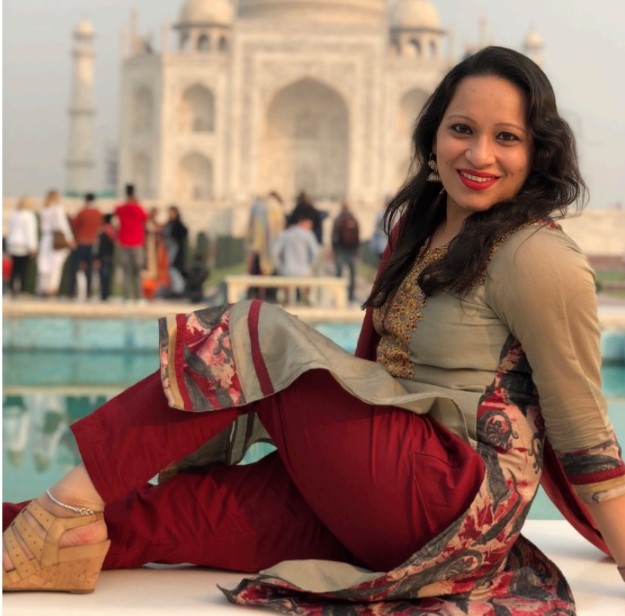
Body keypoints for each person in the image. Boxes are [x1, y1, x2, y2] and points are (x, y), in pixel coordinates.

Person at [3, 47, 624, 614]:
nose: (479, 154)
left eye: (506, 137)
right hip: (374, 487)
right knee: (164, 518)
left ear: (537, 152)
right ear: (433, 135)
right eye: (462, 129)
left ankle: (64, 501)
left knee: (256, 332)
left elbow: (582, 426)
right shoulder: (419, 229)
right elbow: (371, 374)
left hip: (446, 501)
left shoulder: (535, 255)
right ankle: (31, 534)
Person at [246, 191, 286, 300]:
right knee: (270, 272)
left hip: (259, 246)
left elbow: (252, 229)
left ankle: (255, 295)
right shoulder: (276, 207)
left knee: (257, 272)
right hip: (272, 247)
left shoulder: (258, 206)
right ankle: (269, 296)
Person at [36, 190, 75, 298]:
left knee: (44, 264)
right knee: (56, 265)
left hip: (45, 239)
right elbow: (62, 225)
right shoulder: (58, 209)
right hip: (56, 239)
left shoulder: (44, 209)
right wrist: (70, 238)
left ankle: (43, 287)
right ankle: (52, 288)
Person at [114, 184, 148, 301]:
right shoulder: (138, 208)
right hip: (137, 243)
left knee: (126, 272)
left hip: (124, 242)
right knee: (137, 272)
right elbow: (145, 218)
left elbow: (115, 215)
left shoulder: (121, 208)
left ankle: (126, 297)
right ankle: (139, 297)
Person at [68, 193, 103, 300]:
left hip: (81, 242)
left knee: (74, 267)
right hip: (92, 243)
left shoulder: (82, 212)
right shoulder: (98, 213)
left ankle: (71, 291)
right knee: (89, 269)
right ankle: (88, 291)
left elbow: (74, 224)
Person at [6, 195, 38, 297]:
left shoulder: (14, 214)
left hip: (13, 244)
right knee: (23, 269)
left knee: (14, 269)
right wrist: (33, 246)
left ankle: (11, 288)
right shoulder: (29, 215)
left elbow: (10, 229)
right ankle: (22, 290)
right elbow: (30, 232)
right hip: (24, 245)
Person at [331, 199, 360, 302]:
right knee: (352, 273)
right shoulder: (353, 218)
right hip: (351, 249)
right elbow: (357, 235)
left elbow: (333, 235)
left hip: (340, 249)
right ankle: (350, 296)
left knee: (339, 273)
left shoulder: (338, 219)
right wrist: (356, 250)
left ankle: (338, 296)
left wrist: (334, 249)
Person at [162, 205, 188, 297]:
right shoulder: (169, 224)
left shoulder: (178, 225)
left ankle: (179, 289)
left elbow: (183, 233)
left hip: (176, 250)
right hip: (168, 250)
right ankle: (174, 288)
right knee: (170, 268)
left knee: (174, 268)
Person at [93, 214, 117, 301]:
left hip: (103, 257)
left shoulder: (102, 231)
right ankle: (107, 294)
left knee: (103, 276)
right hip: (109, 257)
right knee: (108, 276)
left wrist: (97, 258)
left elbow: (100, 247)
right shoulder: (112, 231)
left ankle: (104, 294)